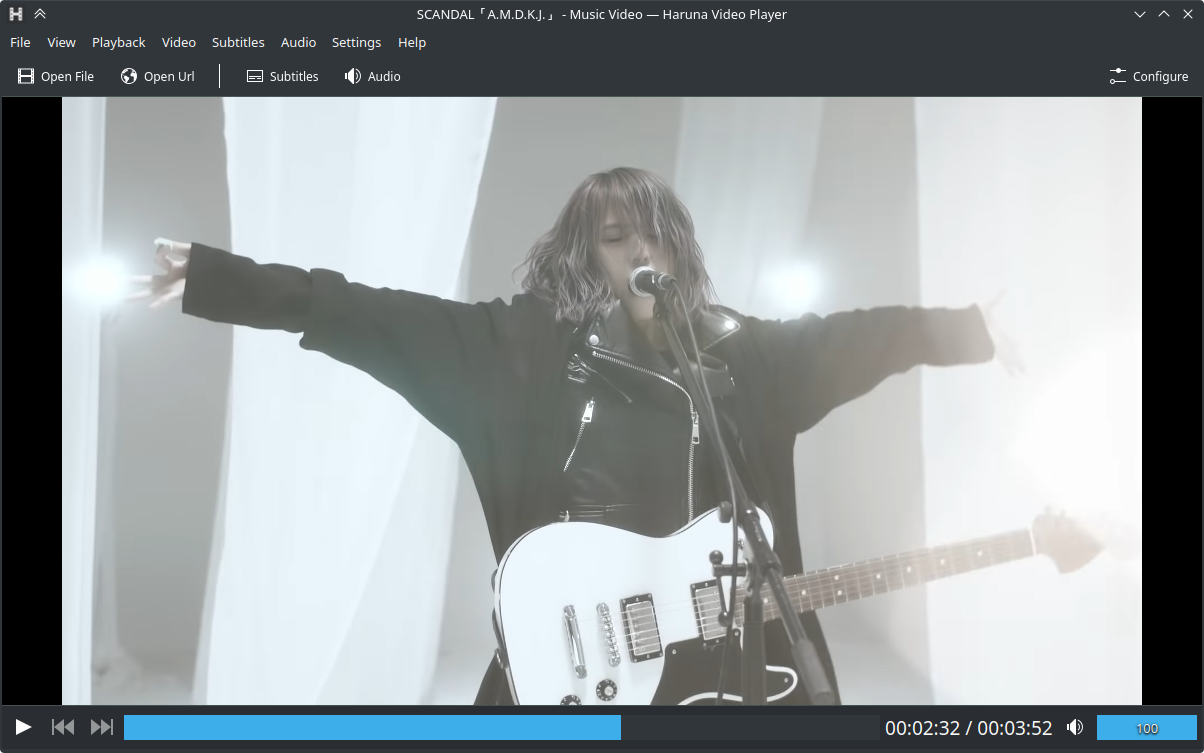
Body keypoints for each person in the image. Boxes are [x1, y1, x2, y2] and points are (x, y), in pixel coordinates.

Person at [130, 167, 1016, 706]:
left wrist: (970, 326)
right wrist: (217, 280)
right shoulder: (521, 351)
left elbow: (858, 339)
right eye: (616, 237)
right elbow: (372, 314)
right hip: (577, 663)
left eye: (656, 235)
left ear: (681, 250)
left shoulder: (743, 353)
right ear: (582, 253)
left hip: (722, 664)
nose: (641, 253)